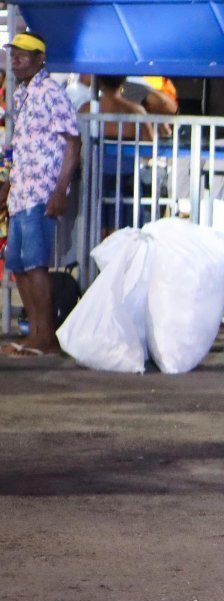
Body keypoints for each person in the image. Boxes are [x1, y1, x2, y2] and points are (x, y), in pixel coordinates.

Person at [1, 32, 80, 358]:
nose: (16, 59)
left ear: (40, 59)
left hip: (41, 192)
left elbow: (73, 142)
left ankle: (45, 337)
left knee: (36, 265)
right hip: (21, 192)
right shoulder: (21, 94)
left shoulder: (50, 92)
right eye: (14, 54)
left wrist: (61, 189)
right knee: (18, 264)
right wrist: (7, 184)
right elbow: (19, 146)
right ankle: (34, 334)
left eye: (24, 55)